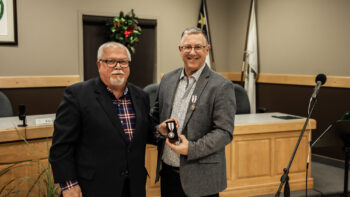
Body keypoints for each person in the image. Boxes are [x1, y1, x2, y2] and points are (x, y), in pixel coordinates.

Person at [49, 41, 170, 197]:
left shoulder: (140, 96)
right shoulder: (78, 95)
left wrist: (159, 131)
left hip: (133, 186)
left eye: (123, 62)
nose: (118, 66)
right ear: (99, 64)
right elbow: (61, 147)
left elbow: (140, 134)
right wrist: (69, 185)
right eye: (111, 61)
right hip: (93, 188)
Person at [152, 27, 236, 197]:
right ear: (180, 50)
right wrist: (158, 129)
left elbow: (224, 132)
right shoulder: (167, 79)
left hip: (201, 178)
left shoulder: (221, 85)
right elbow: (155, 114)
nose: (192, 52)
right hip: (168, 174)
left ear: (207, 50)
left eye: (198, 47)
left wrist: (191, 148)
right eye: (187, 47)